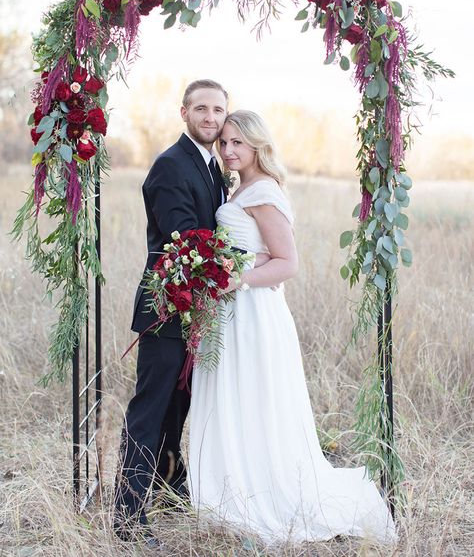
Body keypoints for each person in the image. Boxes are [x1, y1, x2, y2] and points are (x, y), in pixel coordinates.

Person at [188, 110, 397, 546]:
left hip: (253, 313)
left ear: (257, 146)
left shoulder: (262, 190)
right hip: (232, 311)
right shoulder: (240, 185)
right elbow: (254, 249)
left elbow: (288, 263)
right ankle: (230, 488)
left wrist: (237, 275)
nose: (228, 150)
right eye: (224, 142)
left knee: (255, 399)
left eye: (237, 143)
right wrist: (243, 264)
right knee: (235, 400)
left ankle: (259, 492)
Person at [114, 79, 230, 539]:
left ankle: (168, 483)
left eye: (218, 110)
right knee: (151, 407)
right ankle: (127, 513)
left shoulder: (211, 165)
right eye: (201, 109)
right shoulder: (170, 165)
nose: (210, 117)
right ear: (184, 112)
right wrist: (231, 267)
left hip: (196, 307)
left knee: (177, 408)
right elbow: (184, 237)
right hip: (167, 305)